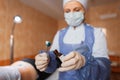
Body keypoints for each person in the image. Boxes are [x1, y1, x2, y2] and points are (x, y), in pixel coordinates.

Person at [35, 0, 111, 80]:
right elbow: (56, 53)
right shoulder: (60, 34)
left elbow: (103, 65)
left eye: (77, 10)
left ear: (84, 11)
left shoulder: (96, 33)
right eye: (67, 11)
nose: (71, 14)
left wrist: (84, 61)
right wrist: (48, 59)